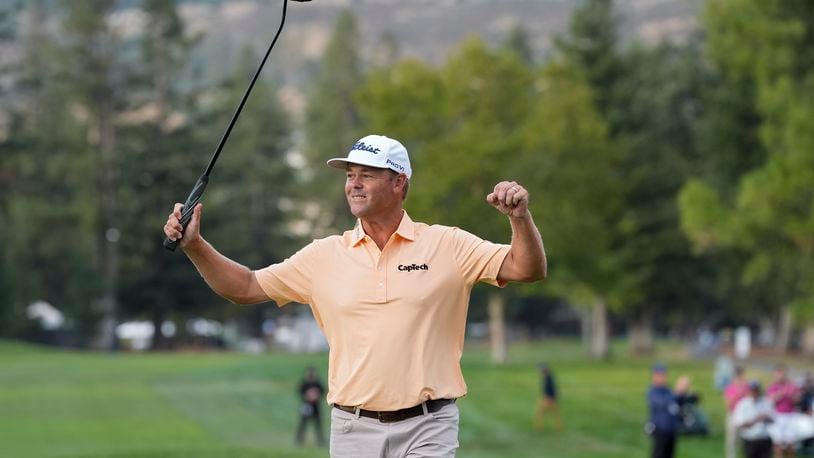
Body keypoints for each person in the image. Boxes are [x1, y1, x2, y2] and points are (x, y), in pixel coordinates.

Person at [162, 134, 547, 458]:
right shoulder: (324, 255)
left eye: (367, 175)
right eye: (350, 175)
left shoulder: (446, 244)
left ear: (399, 183)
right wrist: (195, 245)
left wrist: (519, 218)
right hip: (353, 430)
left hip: (429, 425)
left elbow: (526, 268)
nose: (354, 184)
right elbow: (244, 287)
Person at [733, 380, 775, 458]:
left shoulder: (766, 402)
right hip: (750, 439)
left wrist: (766, 418)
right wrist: (755, 420)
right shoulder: (743, 404)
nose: (754, 393)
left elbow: (774, 419)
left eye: (756, 390)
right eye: (752, 390)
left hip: (764, 439)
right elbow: (739, 424)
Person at [646, 363, 680, 458]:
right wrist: (676, 393)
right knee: (659, 454)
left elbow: (677, 403)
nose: (662, 378)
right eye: (659, 375)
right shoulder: (653, 391)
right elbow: (662, 403)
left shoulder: (668, 390)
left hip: (671, 429)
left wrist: (682, 393)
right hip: (660, 429)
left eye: (664, 375)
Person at [767, 364, 801, 458]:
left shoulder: (792, 385)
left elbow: (797, 399)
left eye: (782, 373)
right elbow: (770, 400)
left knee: (791, 443)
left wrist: (791, 396)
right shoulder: (773, 386)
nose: (781, 375)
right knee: (777, 444)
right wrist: (780, 394)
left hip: (790, 415)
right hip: (778, 416)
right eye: (778, 373)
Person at [296, 365, 326, 447]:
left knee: (318, 424)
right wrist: (307, 396)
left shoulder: (317, 383)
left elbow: (323, 392)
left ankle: (320, 441)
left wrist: (317, 395)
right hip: (306, 406)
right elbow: (300, 392)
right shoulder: (304, 383)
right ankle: (299, 440)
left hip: (316, 406)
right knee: (302, 424)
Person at [725, 366, 751, 458]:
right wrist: (739, 394)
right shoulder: (730, 388)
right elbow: (728, 404)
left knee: (744, 438)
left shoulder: (747, 387)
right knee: (732, 440)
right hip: (733, 415)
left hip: (745, 416)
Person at [533, 362, 562, 432]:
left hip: (548, 399)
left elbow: (552, 389)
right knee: (555, 415)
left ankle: (539, 428)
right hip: (548, 398)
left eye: (539, 369)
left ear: (544, 369)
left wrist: (550, 399)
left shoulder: (548, 378)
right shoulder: (547, 376)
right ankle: (559, 428)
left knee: (539, 414)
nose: (538, 371)